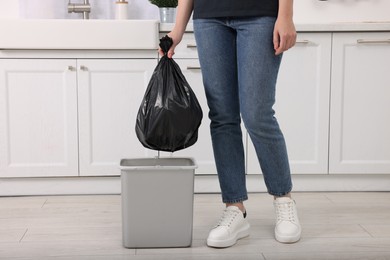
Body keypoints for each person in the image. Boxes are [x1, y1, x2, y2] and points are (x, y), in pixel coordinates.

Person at [160, 0, 302, 248]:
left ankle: (284, 201)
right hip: (209, 18)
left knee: (257, 115)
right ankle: (234, 208)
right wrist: (177, 30)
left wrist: (286, 15)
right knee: (223, 117)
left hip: (260, 14)